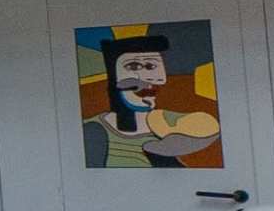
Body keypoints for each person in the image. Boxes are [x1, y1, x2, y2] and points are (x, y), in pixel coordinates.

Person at [84, 30, 220, 169]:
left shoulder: (162, 122)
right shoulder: (93, 130)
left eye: (152, 66)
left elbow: (208, 126)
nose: (148, 79)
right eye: (134, 66)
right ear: (114, 77)